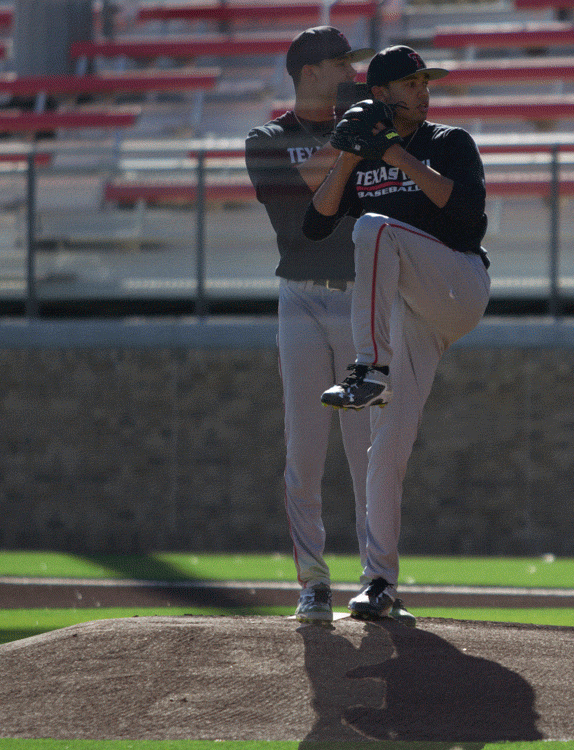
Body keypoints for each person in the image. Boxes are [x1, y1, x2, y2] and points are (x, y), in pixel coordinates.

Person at [304, 45, 492, 620]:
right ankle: (380, 581)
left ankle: (367, 367)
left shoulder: (448, 142)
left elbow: (467, 217)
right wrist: (346, 154)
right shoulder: (363, 154)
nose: (422, 90)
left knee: (374, 230)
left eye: (423, 81)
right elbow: (315, 224)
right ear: (381, 94)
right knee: (385, 446)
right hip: (409, 313)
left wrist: (392, 154)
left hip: (458, 285)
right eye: (409, 83)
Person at [244, 26, 374, 623]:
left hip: (360, 297)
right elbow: (308, 214)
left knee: (366, 449)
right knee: (305, 447)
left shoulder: (364, 124)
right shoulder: (268, 139)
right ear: (309, 71)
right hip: (300, 293)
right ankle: (314, 584)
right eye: (340, 61)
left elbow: (373, 200)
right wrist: (355, 139)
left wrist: (362, 134)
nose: (350, 70)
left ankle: (377, 581)